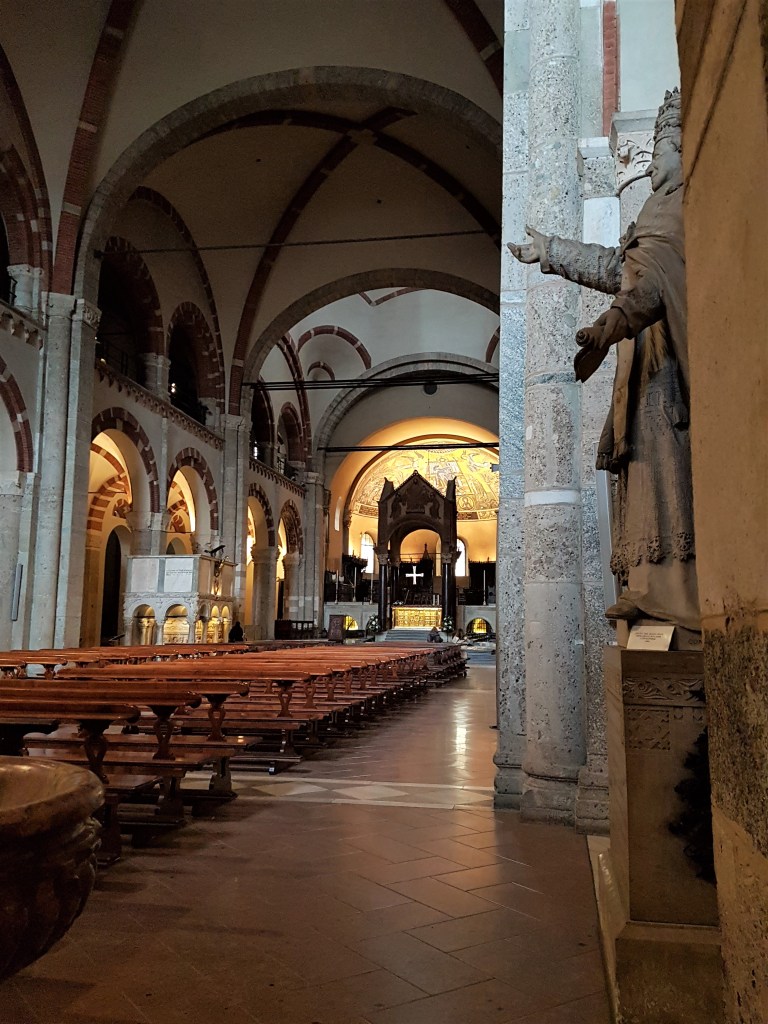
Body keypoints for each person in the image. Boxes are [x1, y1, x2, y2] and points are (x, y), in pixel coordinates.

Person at [508, 89, 698, 631]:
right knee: (639, 472)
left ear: (679, 150)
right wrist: (553, 253)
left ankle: (675, 591)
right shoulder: (657, 208)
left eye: (661, 150)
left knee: (664, 473)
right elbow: (621, 268)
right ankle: (644, 585)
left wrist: (606, 328)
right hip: (644, 364)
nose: (655, 162)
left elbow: (649, 288)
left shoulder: (683, 205)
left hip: (668, 366)